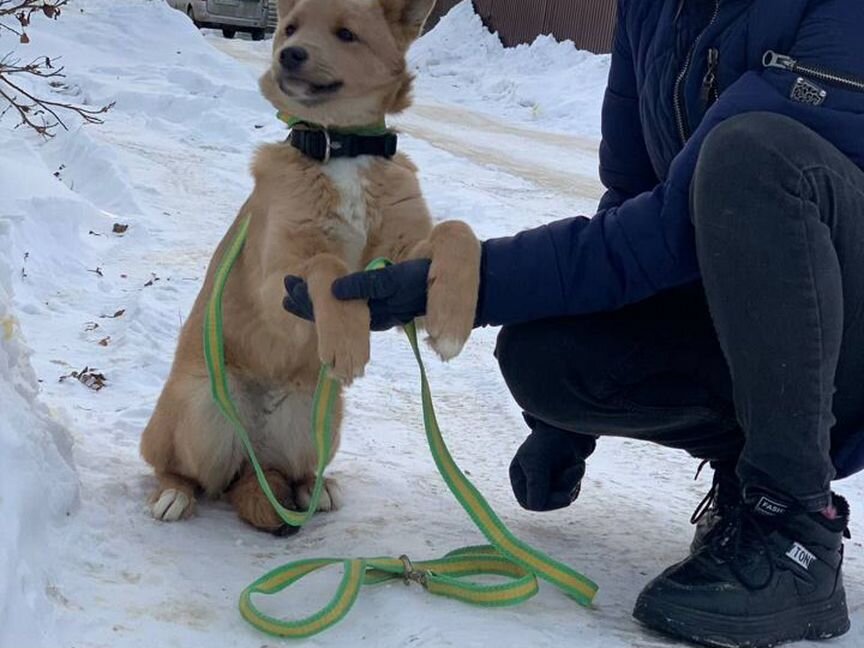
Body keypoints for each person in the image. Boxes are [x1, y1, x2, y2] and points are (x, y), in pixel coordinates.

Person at [282, 0, 864, 645]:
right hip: (766, 318)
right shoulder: (655, 10)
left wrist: (450, 285)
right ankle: (745, 481)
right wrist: (562, 421)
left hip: (853, 330)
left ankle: (795, 526)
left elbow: (671, 225)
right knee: (547, 355)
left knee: (755, 153)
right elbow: (630, 203)